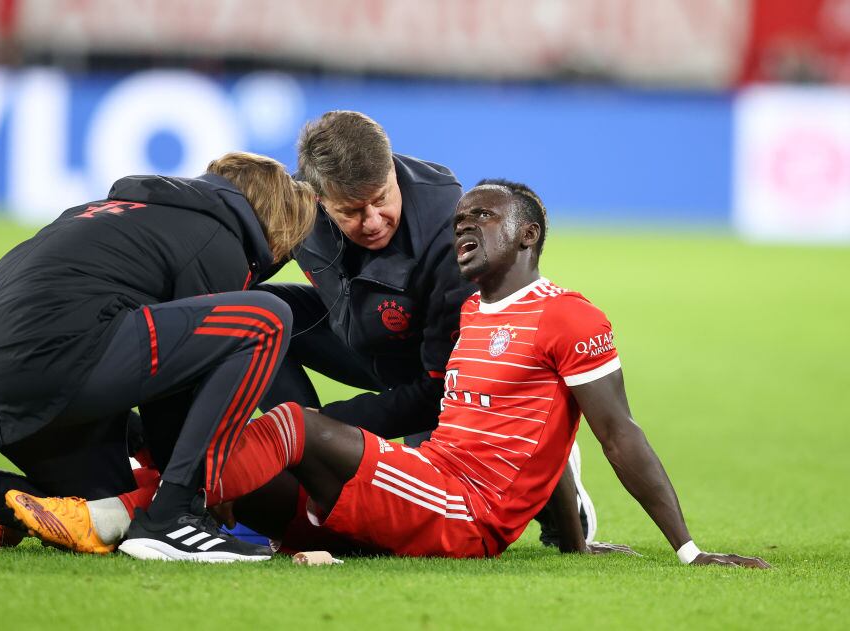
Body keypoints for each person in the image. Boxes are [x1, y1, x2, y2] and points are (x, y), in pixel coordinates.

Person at [184, 180, 770, 566]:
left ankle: (166, 507)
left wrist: (689, 550)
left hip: (466, 509)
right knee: (256, 486)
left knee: (297, 426)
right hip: (429, 478)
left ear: (528, 235)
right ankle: (146, 498)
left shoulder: (569, 316)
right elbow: (544, 441)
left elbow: (618, 435)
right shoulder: (471, 311)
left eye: (483, 217)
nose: (463, 227)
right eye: (460, 218)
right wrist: (574, 545)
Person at [0, 152, 317, 562]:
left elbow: (161, 368)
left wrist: (143, 444)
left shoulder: (125, 211)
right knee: (268, 317)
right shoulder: (218, 238)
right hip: (55, 355)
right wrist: (198, 490)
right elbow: (177, 396)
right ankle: (173, 519)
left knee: (109, 511)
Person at [259, 110, 595, 543]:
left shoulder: (452, 233)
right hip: (360, 339)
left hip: (441, 378)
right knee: (255, 317)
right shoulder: (298, 203)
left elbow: (435, 390)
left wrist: (326, 425)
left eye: (381, 199)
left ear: (392, 170)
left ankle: (559, 489)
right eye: (352, 211)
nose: (373, 220)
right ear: (319, 199)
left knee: (433, 496)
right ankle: (302, 469)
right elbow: (238, 271)